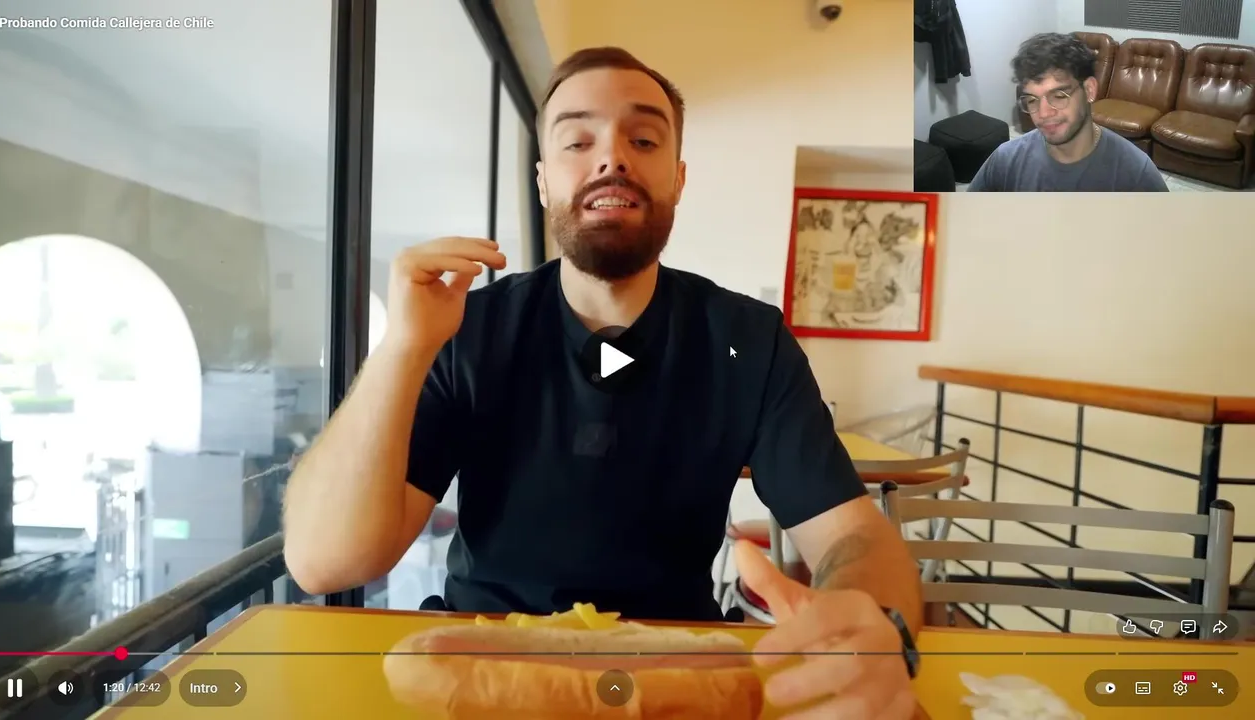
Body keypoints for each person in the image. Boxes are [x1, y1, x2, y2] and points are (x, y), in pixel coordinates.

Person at [284, 46, 921, 718]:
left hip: (675, 678)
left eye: (642, 139)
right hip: (485, 670)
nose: (612, 158)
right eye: (577, 141)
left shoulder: (750, 341)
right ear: (543, 182)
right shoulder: (465, 329)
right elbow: (326, 563)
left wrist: (874, 624)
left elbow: (852, 535)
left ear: (677, 178)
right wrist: (402, 347)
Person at [969, 32, 1169, 192]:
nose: (1043, 113)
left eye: (1059, 95)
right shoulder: (1006, 160)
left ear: (1089, 90)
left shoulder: (1136, 174)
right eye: (1032, 100)